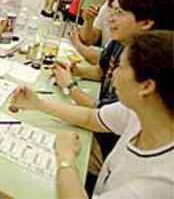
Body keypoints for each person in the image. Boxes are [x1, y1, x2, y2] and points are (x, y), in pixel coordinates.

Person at [9, 30, 174, 199]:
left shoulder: (162, 181)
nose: (113, 73)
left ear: (146, 86)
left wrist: (66, 158)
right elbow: (91, 118)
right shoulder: (143, 110)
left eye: (122, 67)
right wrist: (37, 103)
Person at [54, 0, 171, 109]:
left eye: (119, 12)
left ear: (146, 23)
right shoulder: (120, 39)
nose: (109, 19)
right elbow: (102, 70)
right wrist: (77, 71)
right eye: (112, 11)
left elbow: (104, 114)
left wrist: (70, 86)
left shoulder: (148, 66)